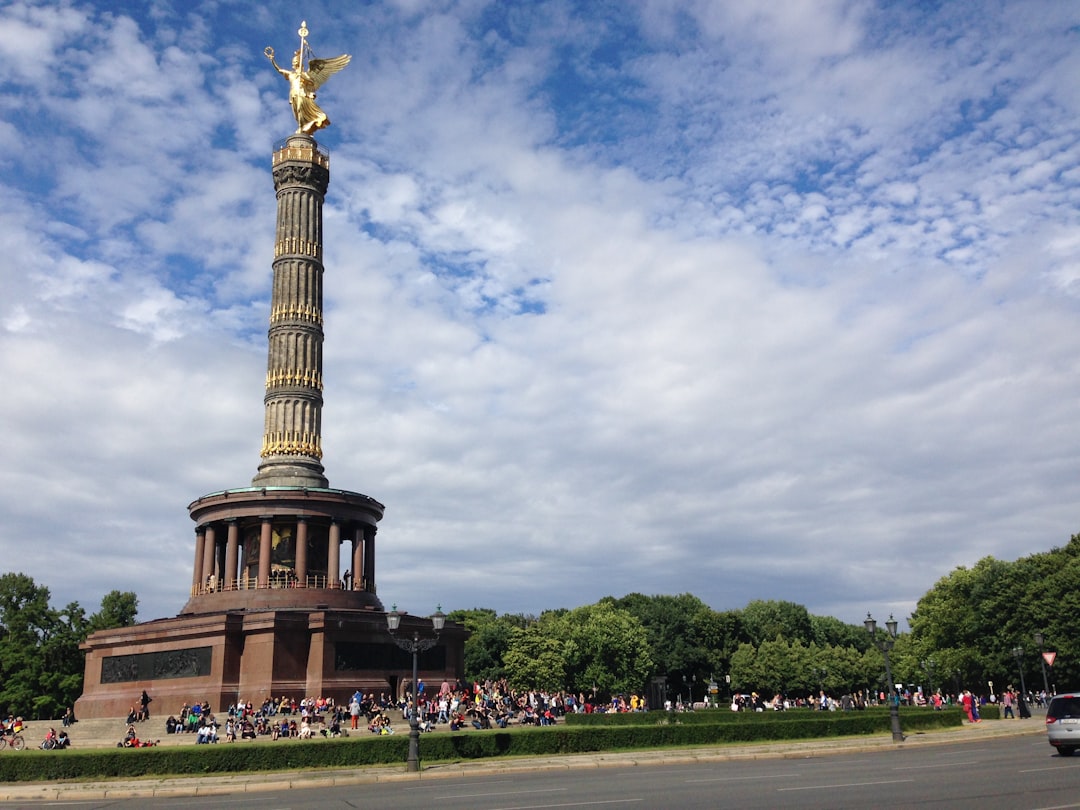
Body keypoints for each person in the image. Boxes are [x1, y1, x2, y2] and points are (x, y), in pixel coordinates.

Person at [264, 42, 351, 135]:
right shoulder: (291, 74)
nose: (294, 64)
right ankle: (301, 127)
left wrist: (303, 77)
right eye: (293, 63)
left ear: (299, 64)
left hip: (303, 93)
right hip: (293, 94)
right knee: (297, 111)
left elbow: (311, 82)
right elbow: (280, 70)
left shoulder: (305, 74)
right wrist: (272, 60)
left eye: (296, 62)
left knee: (301, 108)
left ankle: (307, 125)